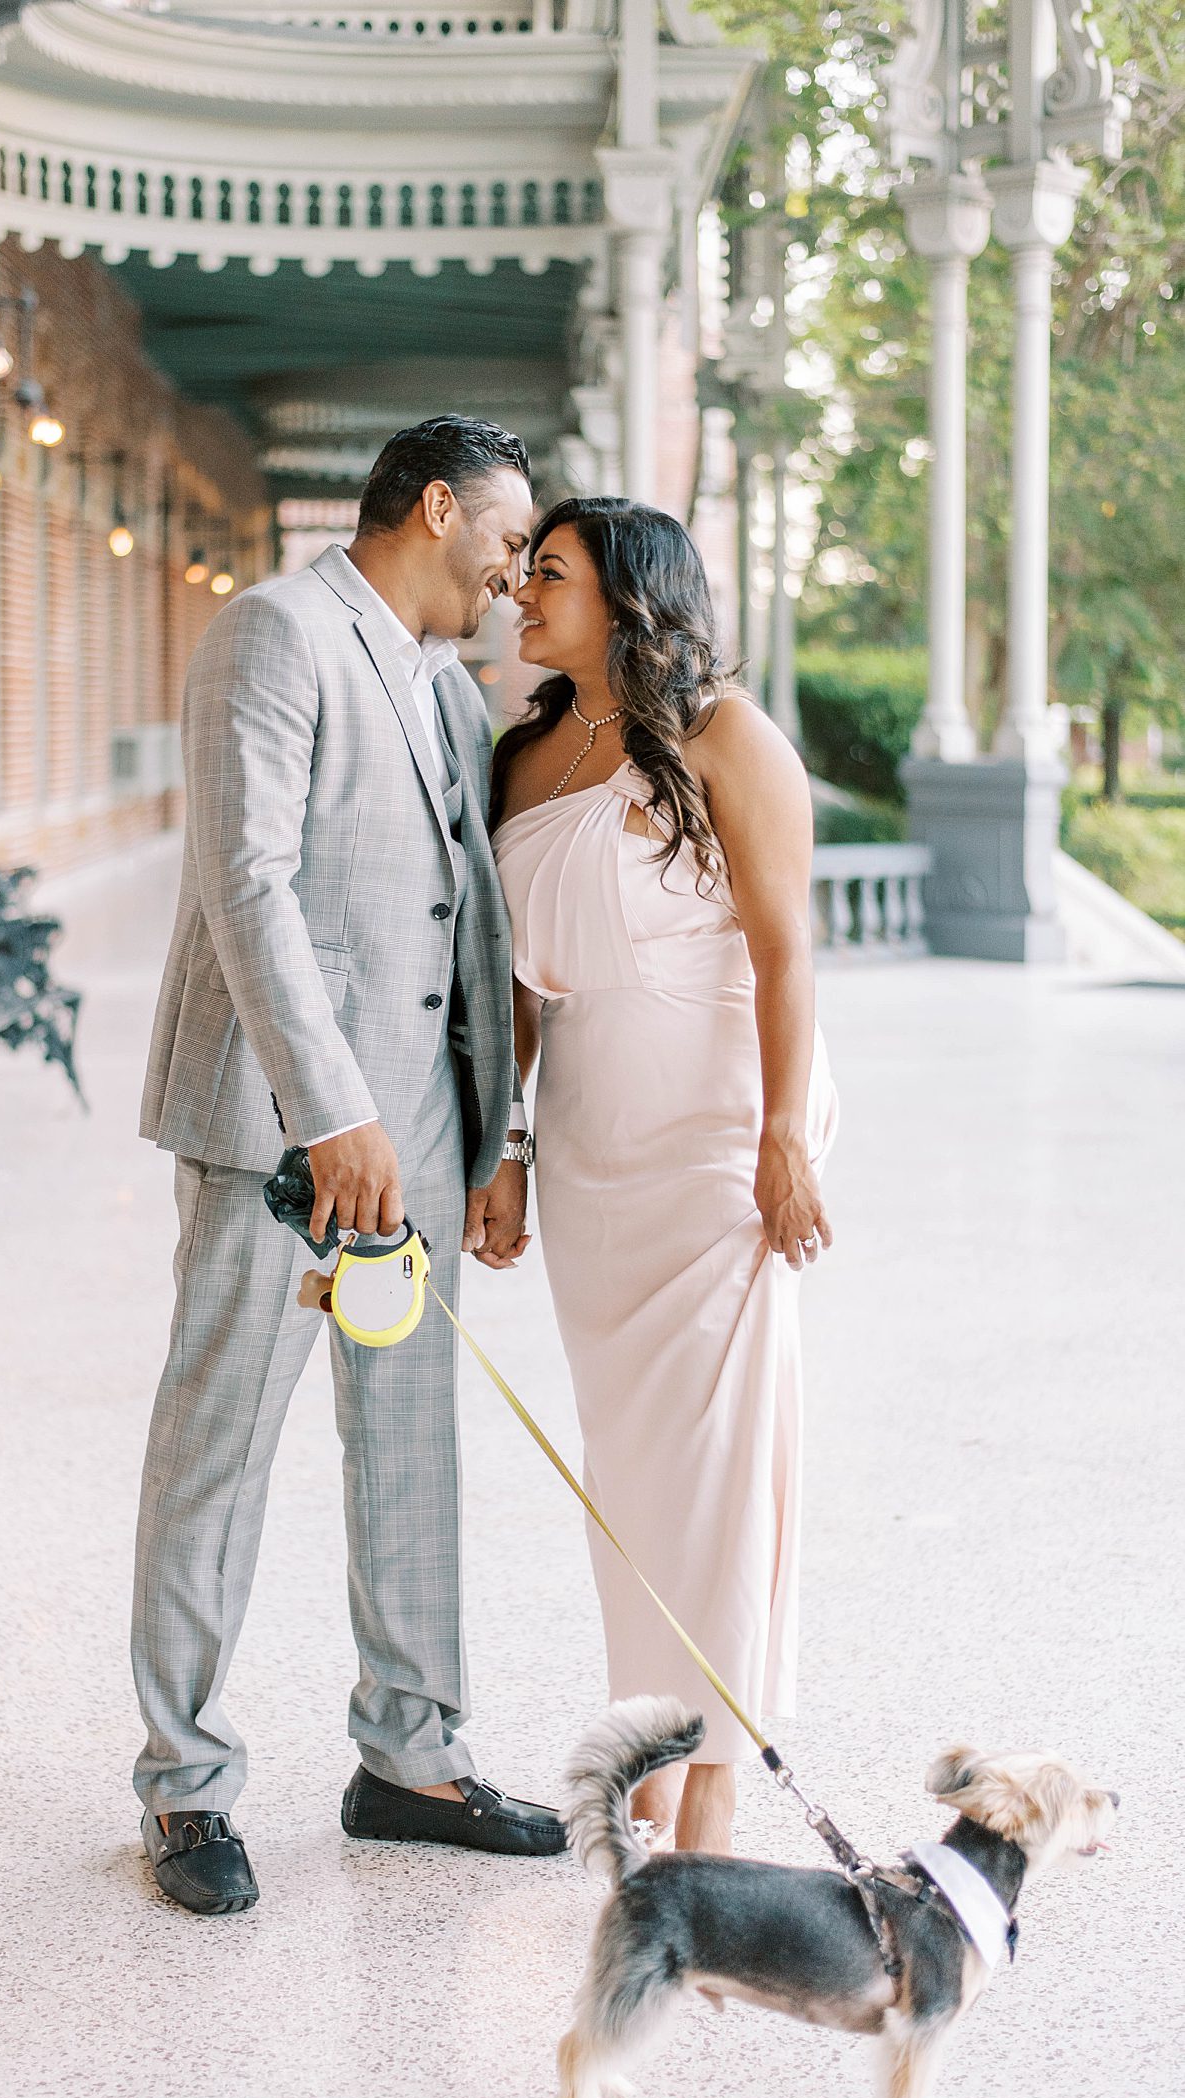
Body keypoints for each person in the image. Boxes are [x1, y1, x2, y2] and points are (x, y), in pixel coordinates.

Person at [133, 416, 566, 1916]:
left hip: (427, 1140)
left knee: (410, 1448)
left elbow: (473, 929)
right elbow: (245, 883)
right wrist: (334, 1112)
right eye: (507, 538)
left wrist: (494, 1135)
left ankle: (411, 1759)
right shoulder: (273, 632)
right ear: (434, 506)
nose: (515, 576)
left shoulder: (449, 691)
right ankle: (186, 1787)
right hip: (278, 1125)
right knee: (220, 1449)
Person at [493, 496, 838, 1857]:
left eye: (552, 576)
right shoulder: (523, 756)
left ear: (629, 597)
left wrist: (784, 1134)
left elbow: (788, 948)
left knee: (721, 1465)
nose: (522, 594)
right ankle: (646, 1735)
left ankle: (716, 1784)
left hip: (715, 1141)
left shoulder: (727, 739)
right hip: (589, 1152)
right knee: (631, 1469)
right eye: (524, 574)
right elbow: (517, 988)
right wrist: (507, 1152)